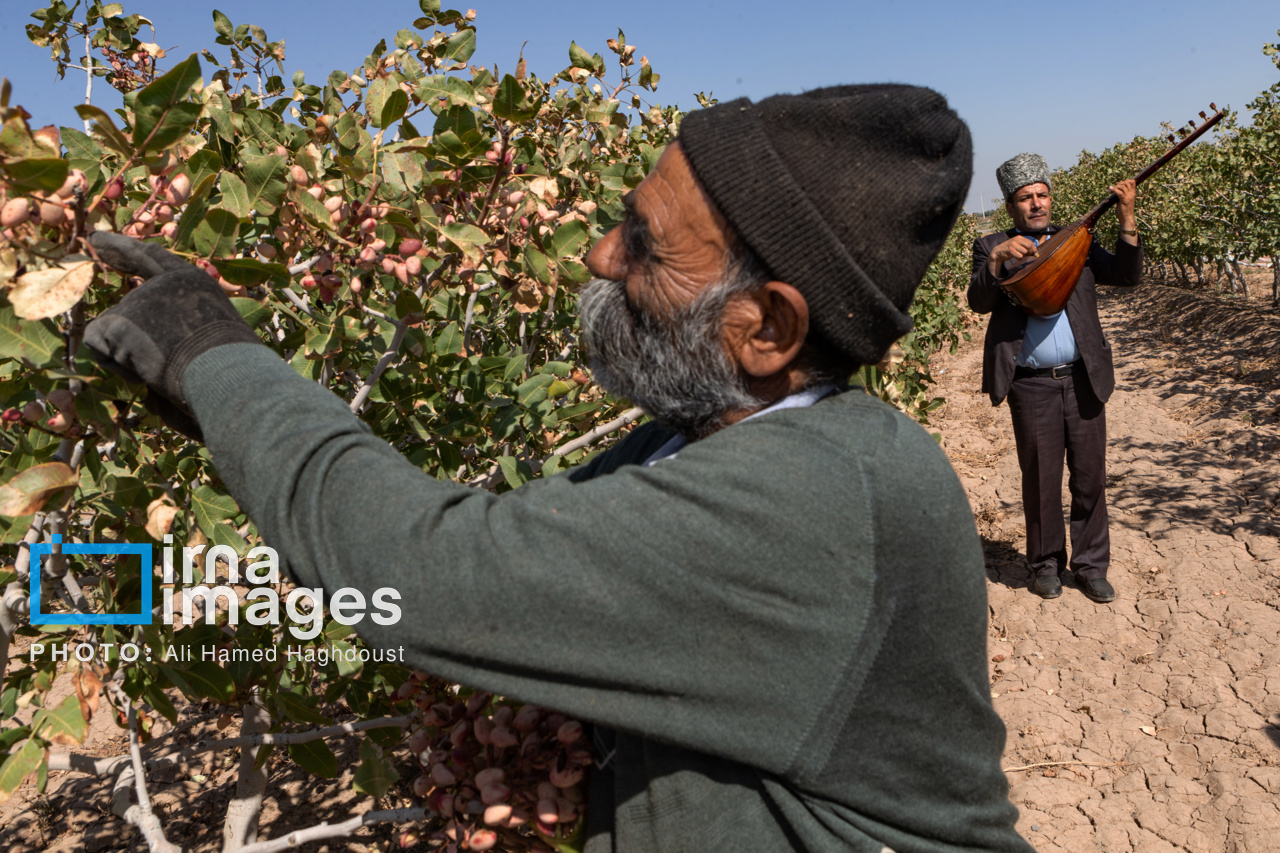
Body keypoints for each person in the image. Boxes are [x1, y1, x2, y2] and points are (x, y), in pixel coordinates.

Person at [85, 85, 1033, 852]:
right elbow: (520, 544)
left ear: (768, 327)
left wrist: (214, 356)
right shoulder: (710, 432)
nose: (599, 253)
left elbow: (413, 566)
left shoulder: (813, 498)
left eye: (645, 242)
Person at [968, 153, 1142, 604]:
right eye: (1025, 198)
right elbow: (979, 302)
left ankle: (1090, 567)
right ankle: (1044, 565)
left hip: (1083, 379)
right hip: (1031, 384)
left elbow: (1126, 275)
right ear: (1010, 206)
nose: (1036, 203)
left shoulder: (1076, 240)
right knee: (1041, 479)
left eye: (1042, 194)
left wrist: (1127, 218)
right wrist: (998, 261)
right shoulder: (991, 246)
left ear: (1051, 198)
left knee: (1089, 478)